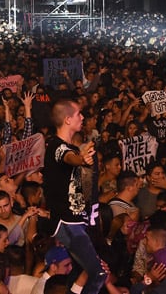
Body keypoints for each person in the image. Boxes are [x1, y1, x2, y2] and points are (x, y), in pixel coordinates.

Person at [43, 98, 107, 294]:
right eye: (79, 113)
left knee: (78, 271)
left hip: (76, 221)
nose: (82, 117)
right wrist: (81, 159)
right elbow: (68, 158)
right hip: (68, 223)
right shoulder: (57, 147)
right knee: (98, 273)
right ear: (68, 120)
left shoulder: (69, 147)